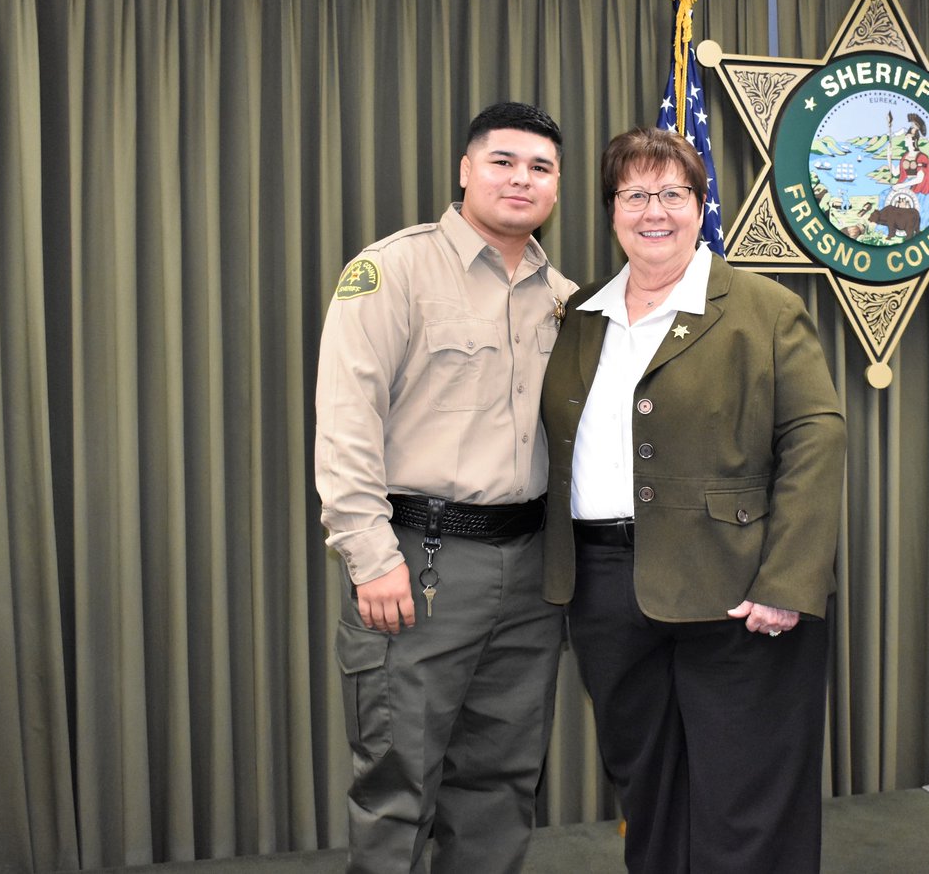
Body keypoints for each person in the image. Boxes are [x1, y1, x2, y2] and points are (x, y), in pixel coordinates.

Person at [541, 127, 846, 874]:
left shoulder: (764, 308)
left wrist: (787, 583)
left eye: (673, 193)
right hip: (608, 592)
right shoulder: (579, 316)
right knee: (648, 791)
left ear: (700, 204)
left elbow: (817, 436)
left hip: (739, 590)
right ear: (611, 210)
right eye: (635, 194)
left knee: (746, 803)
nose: (655, 211)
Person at [315, 101, 577, 874]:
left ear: (556, 186)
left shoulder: (562, 297)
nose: (520, 179)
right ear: (465, 171)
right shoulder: (394, 269)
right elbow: (345, 418)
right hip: (417, 563)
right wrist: (369, 555)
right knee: (399, 786)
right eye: (502, 161)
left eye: (540, 167)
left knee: (501, 786)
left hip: (529, 575)